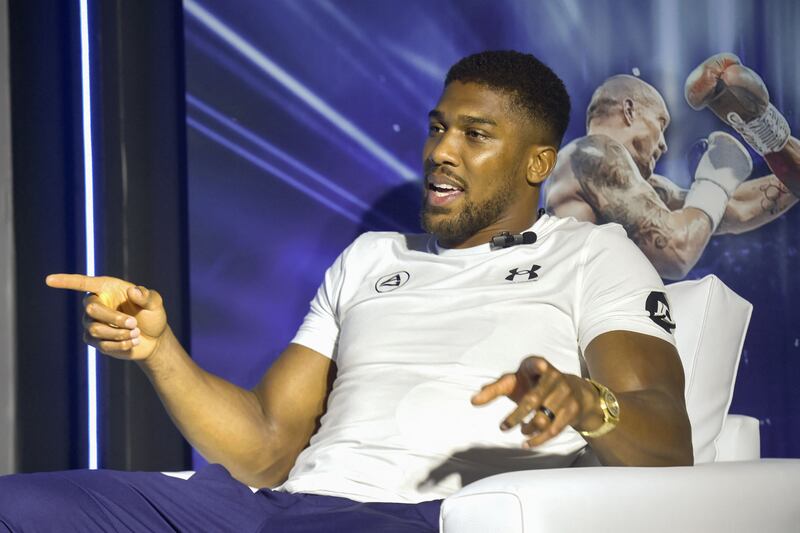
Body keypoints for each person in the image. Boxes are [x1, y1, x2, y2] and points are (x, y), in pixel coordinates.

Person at [0, 51, 692, 532]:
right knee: (19, 509)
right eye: (437, 128)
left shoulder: (594, 254)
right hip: (275, 509)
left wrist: (584, 399)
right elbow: (267, 445)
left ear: (540, 162)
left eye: (475, 135)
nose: (440, 151)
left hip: (430, 519)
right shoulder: (369, 257)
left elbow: (668, 438)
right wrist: (159, 349)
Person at [544, 68, 798, 280]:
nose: (664, 144)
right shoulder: (591, 152)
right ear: (629, 111)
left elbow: (737, 209)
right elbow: (677, 251)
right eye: (661, 123)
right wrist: (714, 180)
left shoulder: (637, 187)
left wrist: (764, 128)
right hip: (572, 328)